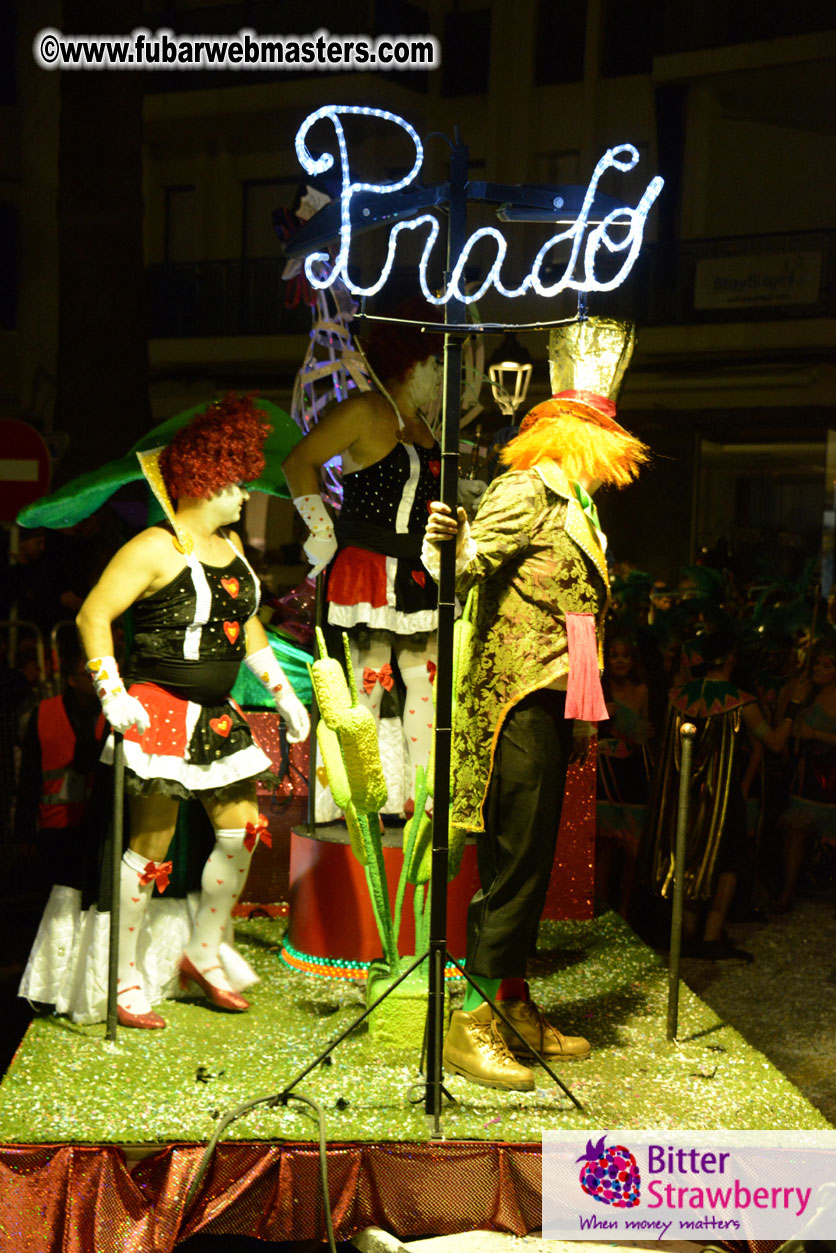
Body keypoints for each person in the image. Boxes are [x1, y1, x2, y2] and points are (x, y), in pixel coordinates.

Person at [19, 395, 309, 1028]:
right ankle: (123, 978)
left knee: (240, 833)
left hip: (219, 714)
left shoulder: (232, 547)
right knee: (148, 845)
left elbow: (246, 626)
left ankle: (203, 952)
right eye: (237, 484)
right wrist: (113, 692)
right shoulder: (152, 547)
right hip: (160, 713)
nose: (244, 497)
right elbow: (93, 615)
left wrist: (282, 694)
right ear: (208, 480)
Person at [424, 317, 648, 1092]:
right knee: (515, 863)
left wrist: (586, 712)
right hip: (515, 700)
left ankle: (509, 1000)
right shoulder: (528, 488)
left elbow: (582, 620)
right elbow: (460, 565)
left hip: (553, 702)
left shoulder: (582, 507)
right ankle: (471, 1022)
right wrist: (443, 540)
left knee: (531, 861)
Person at [282, 301, 443, 814]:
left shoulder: (424, 425)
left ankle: (421, 795)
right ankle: (352, 799)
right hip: (365, 565)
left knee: (424, 676)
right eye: (438, 364)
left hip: (415, 568)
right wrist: (320, 529)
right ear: (412, 364)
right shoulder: (365, 411)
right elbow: (298, 461)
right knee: (366, 680)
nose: (445, 376)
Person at [645, 626, 809, 960]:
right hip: (722, 799)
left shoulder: (678, 696)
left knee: (689, 857)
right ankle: (710, 936)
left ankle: (687, 933)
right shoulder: (740, 701)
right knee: (729, 862)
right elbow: (776, 743)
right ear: (730, 658)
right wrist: (793, 705)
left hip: (681, 794)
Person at [774, 635, 836, 912]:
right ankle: (787, 891)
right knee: (796, 831)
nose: (820, 669)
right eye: (818, 664)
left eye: (828, 665)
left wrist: (814, 733)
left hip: (831, 774)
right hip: (804, 771)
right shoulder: (803, 689)